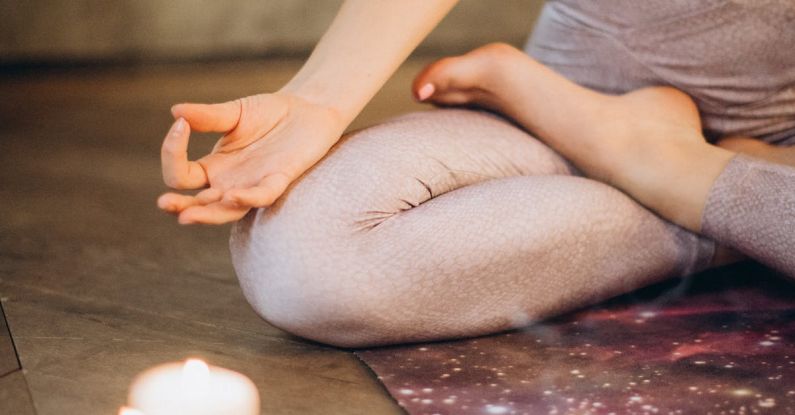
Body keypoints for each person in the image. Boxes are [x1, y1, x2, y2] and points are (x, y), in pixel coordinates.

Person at [156, 0, 795, 347]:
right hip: (566, 102)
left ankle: (671, 166)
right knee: (300, 262)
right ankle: (697, 178)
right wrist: (322, 99)